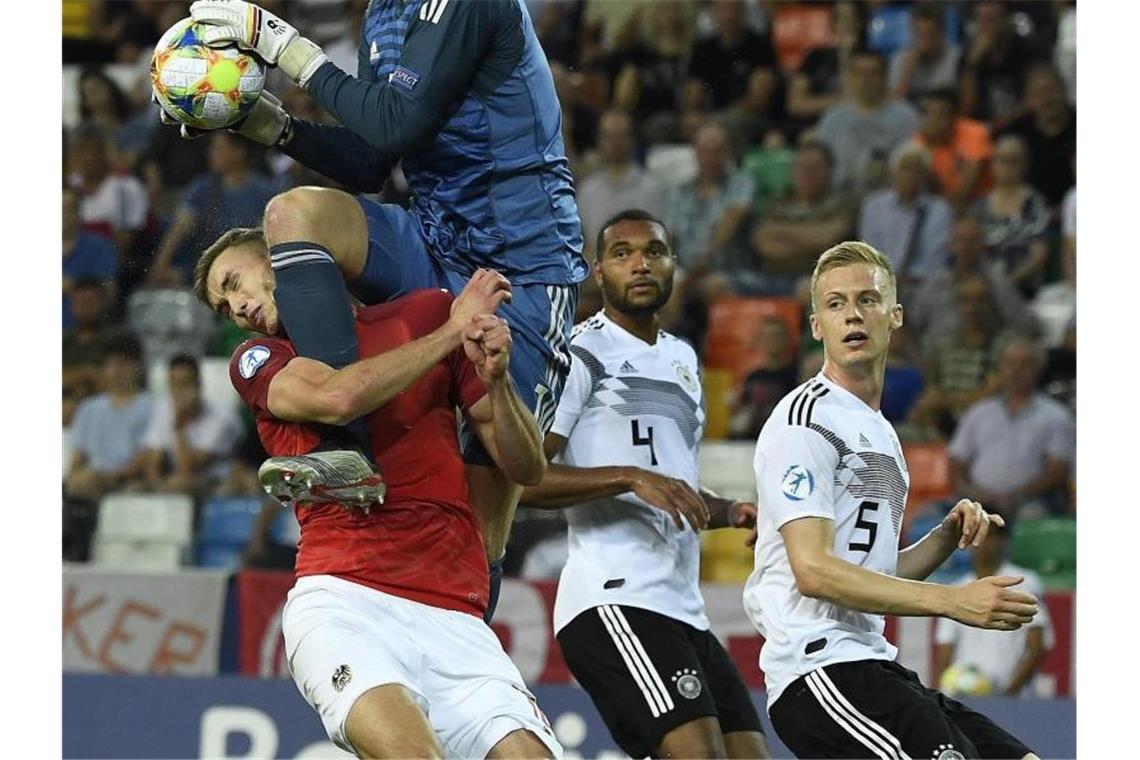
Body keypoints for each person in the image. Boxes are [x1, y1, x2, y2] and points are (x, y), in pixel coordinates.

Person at [173, 0, 588, 592]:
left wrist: (281, 44)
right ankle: (342, 446)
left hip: (522, 266)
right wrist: (267, 124)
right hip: (432, 234)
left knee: (477, 523)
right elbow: (371, 159)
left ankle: (466, 647)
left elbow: (395, 121)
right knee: (293, 212)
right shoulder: (382, 18)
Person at [210, 230, 560, 759]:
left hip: (456, 616)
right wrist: (452, 332)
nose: (236, 306)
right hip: (347, 602)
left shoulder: (422, 313)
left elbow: (526, 467)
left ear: (283, 257)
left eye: (235, 282)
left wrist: (499, 382)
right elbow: (337, 397)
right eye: (224, 303)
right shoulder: (259, 357)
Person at [746, 241, 1041, 759]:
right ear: (817, 325)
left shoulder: (881, 432)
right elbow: (814, 571)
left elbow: (875, 571)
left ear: (895, 316)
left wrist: (944, 539)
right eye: (835, 304)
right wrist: (953, 600)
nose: (853, 314)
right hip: (819, 669)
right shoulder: (803, 419)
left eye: (868, 299)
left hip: (871, 661)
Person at [521, 210, 770, 760]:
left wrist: (732, 512)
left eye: (654, 251)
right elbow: (524, 479)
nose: (640, 263)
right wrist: (630, 478)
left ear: (673, 264)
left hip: (684, 606)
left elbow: (674, 487)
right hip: (613, 598)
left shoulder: (683, 360)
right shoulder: (580, 352)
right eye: (622, 252)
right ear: (598, 271)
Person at [949, 337, 1075, 520]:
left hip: (1030, 501)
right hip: (978, 500)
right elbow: (957, 462)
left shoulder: (1056, 416)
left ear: (1039, 370)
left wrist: (1017, 495)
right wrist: (974, 494)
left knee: (1031, 516)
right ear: (1001, 368)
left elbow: (1059, 470)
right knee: (930, 515)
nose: (1017, 370)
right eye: (1010, 363)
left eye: (1026, 364)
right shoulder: (978, 413)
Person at [934, 525, 1054, 698]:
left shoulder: (1022, 582)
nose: (983, 543)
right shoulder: (956, 589)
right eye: (977, 536)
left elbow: (1036, 646)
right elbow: (946, 649)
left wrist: (1010, 693)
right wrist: (944, 693)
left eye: (990, 536)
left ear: (1003, 541)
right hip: (964, 697)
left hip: (1012, 697)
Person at [815, 47, 919, 193]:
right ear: (850, 78)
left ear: (885, 77)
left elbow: (912, 165)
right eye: (860, 74)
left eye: (873, 74)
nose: (866, 80)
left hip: (887, 202)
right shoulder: (832, 118)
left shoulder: (906, 117)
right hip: (838, 201)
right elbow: (820, 163)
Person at [857, 141, 952, 293]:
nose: (910, 175)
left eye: (916, 170)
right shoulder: (874, 207)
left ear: (924, 175)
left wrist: (910, 278)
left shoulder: (939, 210)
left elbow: (936, 257)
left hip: (923, 286)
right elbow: (869, 252)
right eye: (906, 169)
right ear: (894, 172)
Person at [64, 338, 152, 502]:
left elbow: (146, 457)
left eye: (123, 364)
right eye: (110, 365)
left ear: (137, 367)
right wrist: (74, 475)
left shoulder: (151, 408)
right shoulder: (88, 408)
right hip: (91, 479)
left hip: (129, 480)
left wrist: (110, 477)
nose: (117, 372)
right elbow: (78, 456)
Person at [140, 354, 241, 495]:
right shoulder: (163, 409)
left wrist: (179, 427)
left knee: (180, 483)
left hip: (217, 484)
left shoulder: (222, 417)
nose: (179, 391)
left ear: (198, 384)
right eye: (174, 384)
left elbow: (188, 467)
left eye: (185, 384)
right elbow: (151, 464)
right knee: (135, 488)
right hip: (176, 480)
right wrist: (157, 485)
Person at [888, 4, 961, 104]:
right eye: (921, 35)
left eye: (931, 34)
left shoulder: (956, 57)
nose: (926, 41)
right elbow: (893, 104)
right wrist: (907, 71)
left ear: (942, 33)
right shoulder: (900, 58)